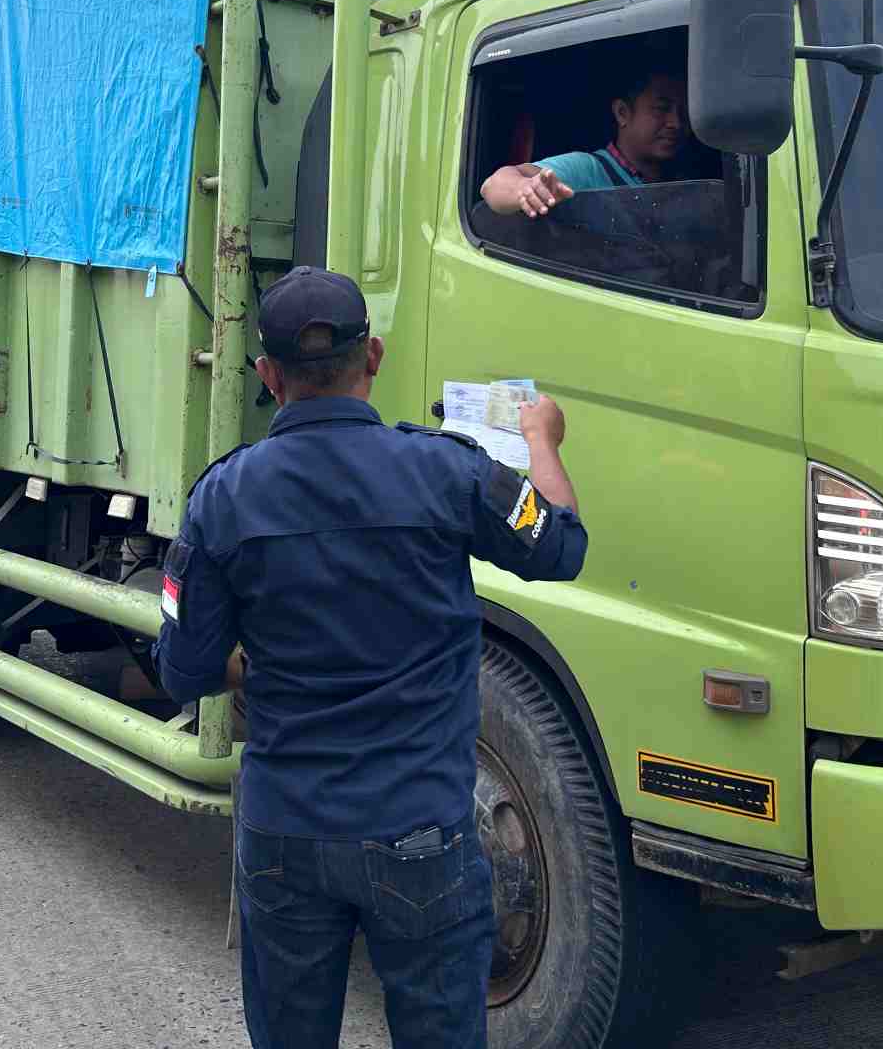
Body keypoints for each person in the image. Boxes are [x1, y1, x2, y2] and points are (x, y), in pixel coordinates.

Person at [153, 267, 587, 1049]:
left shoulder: (223, 497)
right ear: (375, 357)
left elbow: (183, 668)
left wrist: (260, 672)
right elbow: (559, 545)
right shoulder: (451, 472)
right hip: (420, 827)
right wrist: (539, 438)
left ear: (267, 375)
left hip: (286, 828)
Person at [480, 54, 690, 218]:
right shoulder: (587, 170)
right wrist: (525, 189)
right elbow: (493, 186)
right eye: (661, 108)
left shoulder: (686, 179)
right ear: (622, 113)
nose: (676, 123)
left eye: (684, 112)